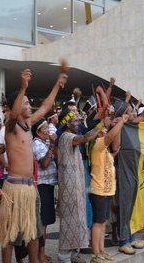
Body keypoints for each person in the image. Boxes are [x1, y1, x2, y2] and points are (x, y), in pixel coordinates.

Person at [0, 68, 67, 263]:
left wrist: (56, 85)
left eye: (28, 102)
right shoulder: (10, 128)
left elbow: (45, 106)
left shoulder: (29, 124)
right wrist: (23, 87)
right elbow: (13, 116)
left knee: (33, 232)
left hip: (30, 188)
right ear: (16, 107)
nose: (29, 105)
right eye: (26, 103)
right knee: (9, 235)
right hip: (14, 188)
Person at [57, 112, 99, 263]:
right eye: (75, 120)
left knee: (77, 220)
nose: (78, 122)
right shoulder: (66, 136)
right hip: (69, 189)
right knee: (70, 221)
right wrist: (100, 126)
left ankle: (73, 254)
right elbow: (85, 138)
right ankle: (64, 256)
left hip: (75, 187)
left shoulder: (69, 136)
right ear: (67, 124)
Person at [89, 114, 129, 263]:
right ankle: (95, 254)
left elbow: (115, 145)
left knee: (103, 222)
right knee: (98, 223)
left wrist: (118, 126)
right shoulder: (97, 143)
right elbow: (109, 138)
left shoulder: (105, 150)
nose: (105, 131)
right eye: (103, 129)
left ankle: (102, 251)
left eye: (106, 129)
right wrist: (121, 122)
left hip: (106, 191)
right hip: (98, 190)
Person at [32, 119, 58, 263]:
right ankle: (38, 256)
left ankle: (41, 253)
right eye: (46, 127)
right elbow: (45, 163)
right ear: (39, 130)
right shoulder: (36, 143)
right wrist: (53, 145)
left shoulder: (44, 143)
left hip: (47, 185)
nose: (49, 130)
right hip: (41, 186)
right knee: (42, 223)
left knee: (45, 222)